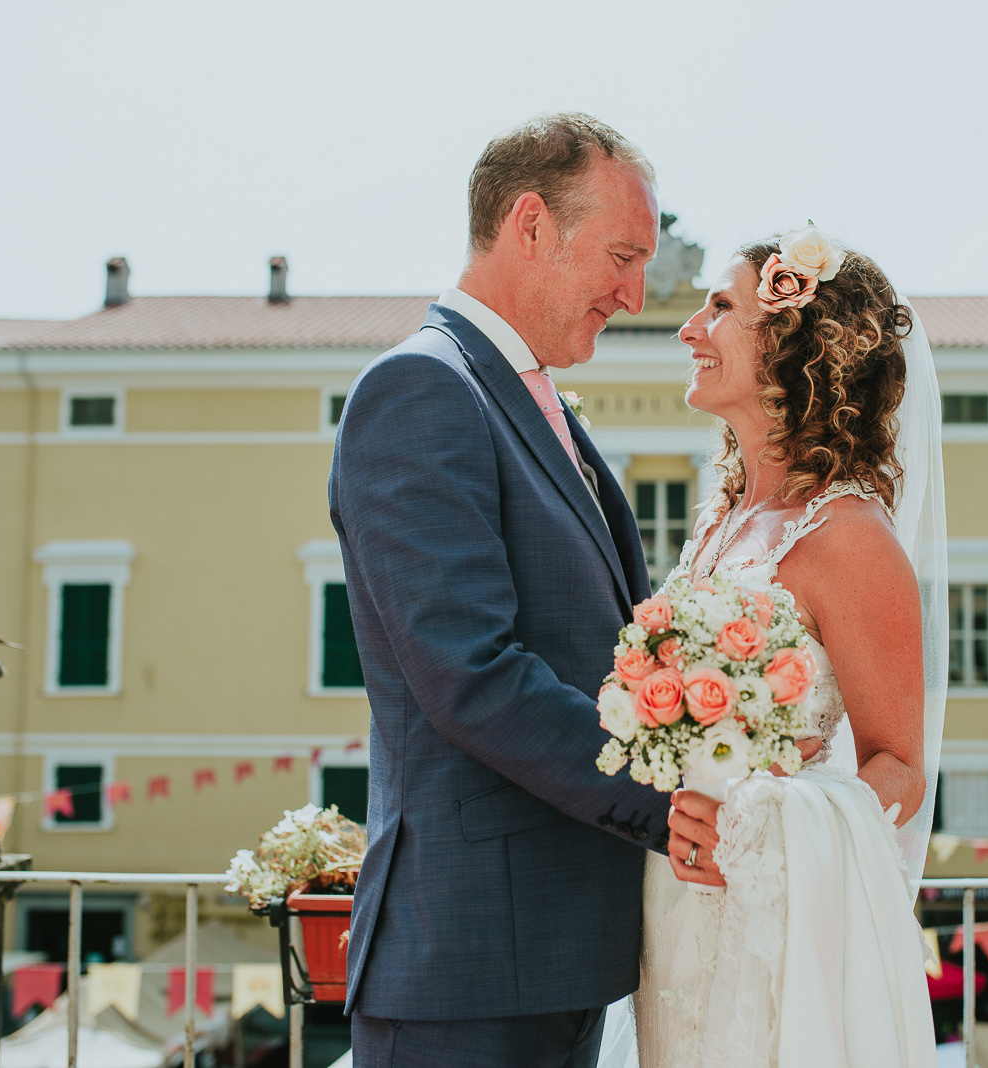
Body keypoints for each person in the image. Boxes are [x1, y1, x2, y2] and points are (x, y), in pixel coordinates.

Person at [329, 113, 679, 1068]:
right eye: (621, 254)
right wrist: (677, 806)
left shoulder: (535, 400)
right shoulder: (421, 390)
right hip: (467, 965)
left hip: (559, 957)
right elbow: (470, 673)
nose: (634, 292)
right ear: (531, 224)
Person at [605, 228, 949, 1067]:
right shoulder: (718, 525)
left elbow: (900, 766)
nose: (688, 329)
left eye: (720, 308)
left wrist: (757, 832)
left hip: (774, 926)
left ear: (795, 348)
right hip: (672, 906)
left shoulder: (852, 538)